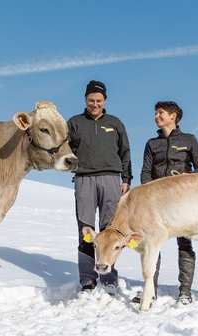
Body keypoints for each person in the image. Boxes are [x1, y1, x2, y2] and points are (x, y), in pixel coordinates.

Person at [137, 100, 198, 304]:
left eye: (161, 113)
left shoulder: (189, 139)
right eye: (156, 113)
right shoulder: (152, 143)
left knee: (184, 243)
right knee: (152, 244)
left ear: (173, 116)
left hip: (182, 202)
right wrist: (145, 194)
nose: (156, 116)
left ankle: (185, 291)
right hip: (156, 203)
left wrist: (190, 176)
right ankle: (151, 290)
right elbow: (145, 171)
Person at [67, 80, 132, 294]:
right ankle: (87, 278)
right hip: (84, 179)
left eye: (98, 100)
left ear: (105, 101)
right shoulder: (75, 122)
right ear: (85, 100)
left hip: (111, 179)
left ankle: (109, 276)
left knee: (110, 231)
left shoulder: (115, 123)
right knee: (85, 229)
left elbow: (125, 152)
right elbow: (64, 148)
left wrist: (126, 179)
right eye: (91, 100)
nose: (95, 104)